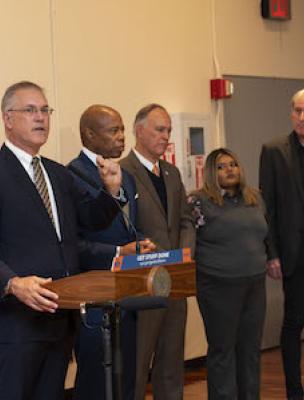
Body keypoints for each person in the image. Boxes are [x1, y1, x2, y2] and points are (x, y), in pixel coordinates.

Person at [0, 81, 123, 400]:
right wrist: (13, 284)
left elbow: (91, 220)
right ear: (8, 119)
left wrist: (111, 190)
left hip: (60, 319)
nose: (41, 118)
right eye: (30, 110)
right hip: (18, 323)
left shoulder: (57, 173)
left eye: (45, 110)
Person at [68, 104, 156, 400]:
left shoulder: (126, 175)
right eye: (113, 130)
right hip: (94, 296)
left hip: (126, 293)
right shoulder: (72, 175)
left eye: (122, 129)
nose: (122, 136)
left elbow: (129, 226)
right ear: (89, 134)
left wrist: (141, 243)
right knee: (96, 380)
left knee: (126, 379)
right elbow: (73, 243)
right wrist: (119, 250)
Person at [120, 103, 195, 400]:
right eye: (159, 130)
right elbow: (122, 226)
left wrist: (184, 255)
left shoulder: (172, 173)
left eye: (168, 130)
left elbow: (186, 220)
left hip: (175, 281)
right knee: (137, 363)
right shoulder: (123, 172)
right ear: (139, 131)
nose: (166, 136)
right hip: (141, 281)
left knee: (171, 361)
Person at [190, 148, 267, 399]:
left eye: (233, 164)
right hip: (217, 286)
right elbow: (189, 242)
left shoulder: (254, 198)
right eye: (222, 166)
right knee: (223, 350)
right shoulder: (199, 202)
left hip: (254, 284)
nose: (230, 169)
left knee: (250, 350)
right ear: (211, 172)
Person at [259, 88, 304, 400]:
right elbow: (267, 207)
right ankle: (294, 390)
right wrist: (271, 253)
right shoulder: (274, 150)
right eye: (297, 111)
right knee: (294, 322)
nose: (301, 117)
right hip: (294, 254)